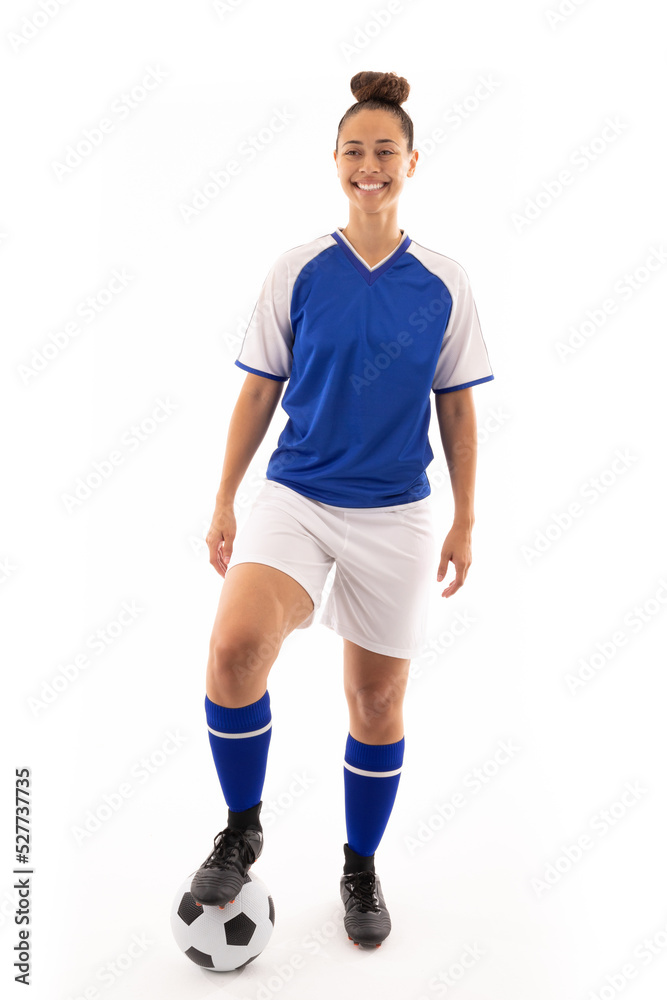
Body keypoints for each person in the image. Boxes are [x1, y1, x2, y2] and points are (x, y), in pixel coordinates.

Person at [189, 69, 494, 949]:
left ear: (409, 163)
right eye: (354, 150)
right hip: (296, 496)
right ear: (334, 162)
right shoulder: (299, 268)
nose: (370, 165)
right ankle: (241, 828)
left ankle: (359, 866)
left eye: (385, 152)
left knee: (374, 702)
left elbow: (458, 408)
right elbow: (257, 393)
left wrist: (466, 520)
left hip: (396, 513)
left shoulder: (443, 281)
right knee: (237, 646)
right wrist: (222, 497)